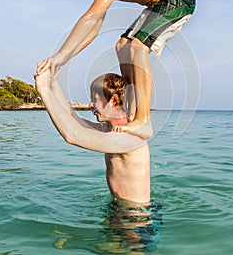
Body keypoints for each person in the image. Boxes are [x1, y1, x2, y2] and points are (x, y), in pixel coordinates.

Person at [35, 0, 196, 139]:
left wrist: (58, 56)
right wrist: (64, 59)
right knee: (122, 46)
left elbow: (89, 17)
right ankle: (131, 113)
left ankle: (143, 120)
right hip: (159, 4)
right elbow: (93, 29)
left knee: (137, 47)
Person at [35, 67, 150, 205]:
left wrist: (43, 90)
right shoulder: (109, 130)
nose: (90, 105)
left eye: (94, 100)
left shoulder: (127, 137)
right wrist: (53, 83)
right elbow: (74, 119)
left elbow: (71, 136)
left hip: (136, 216)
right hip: (121, 209)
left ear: (113, 101)